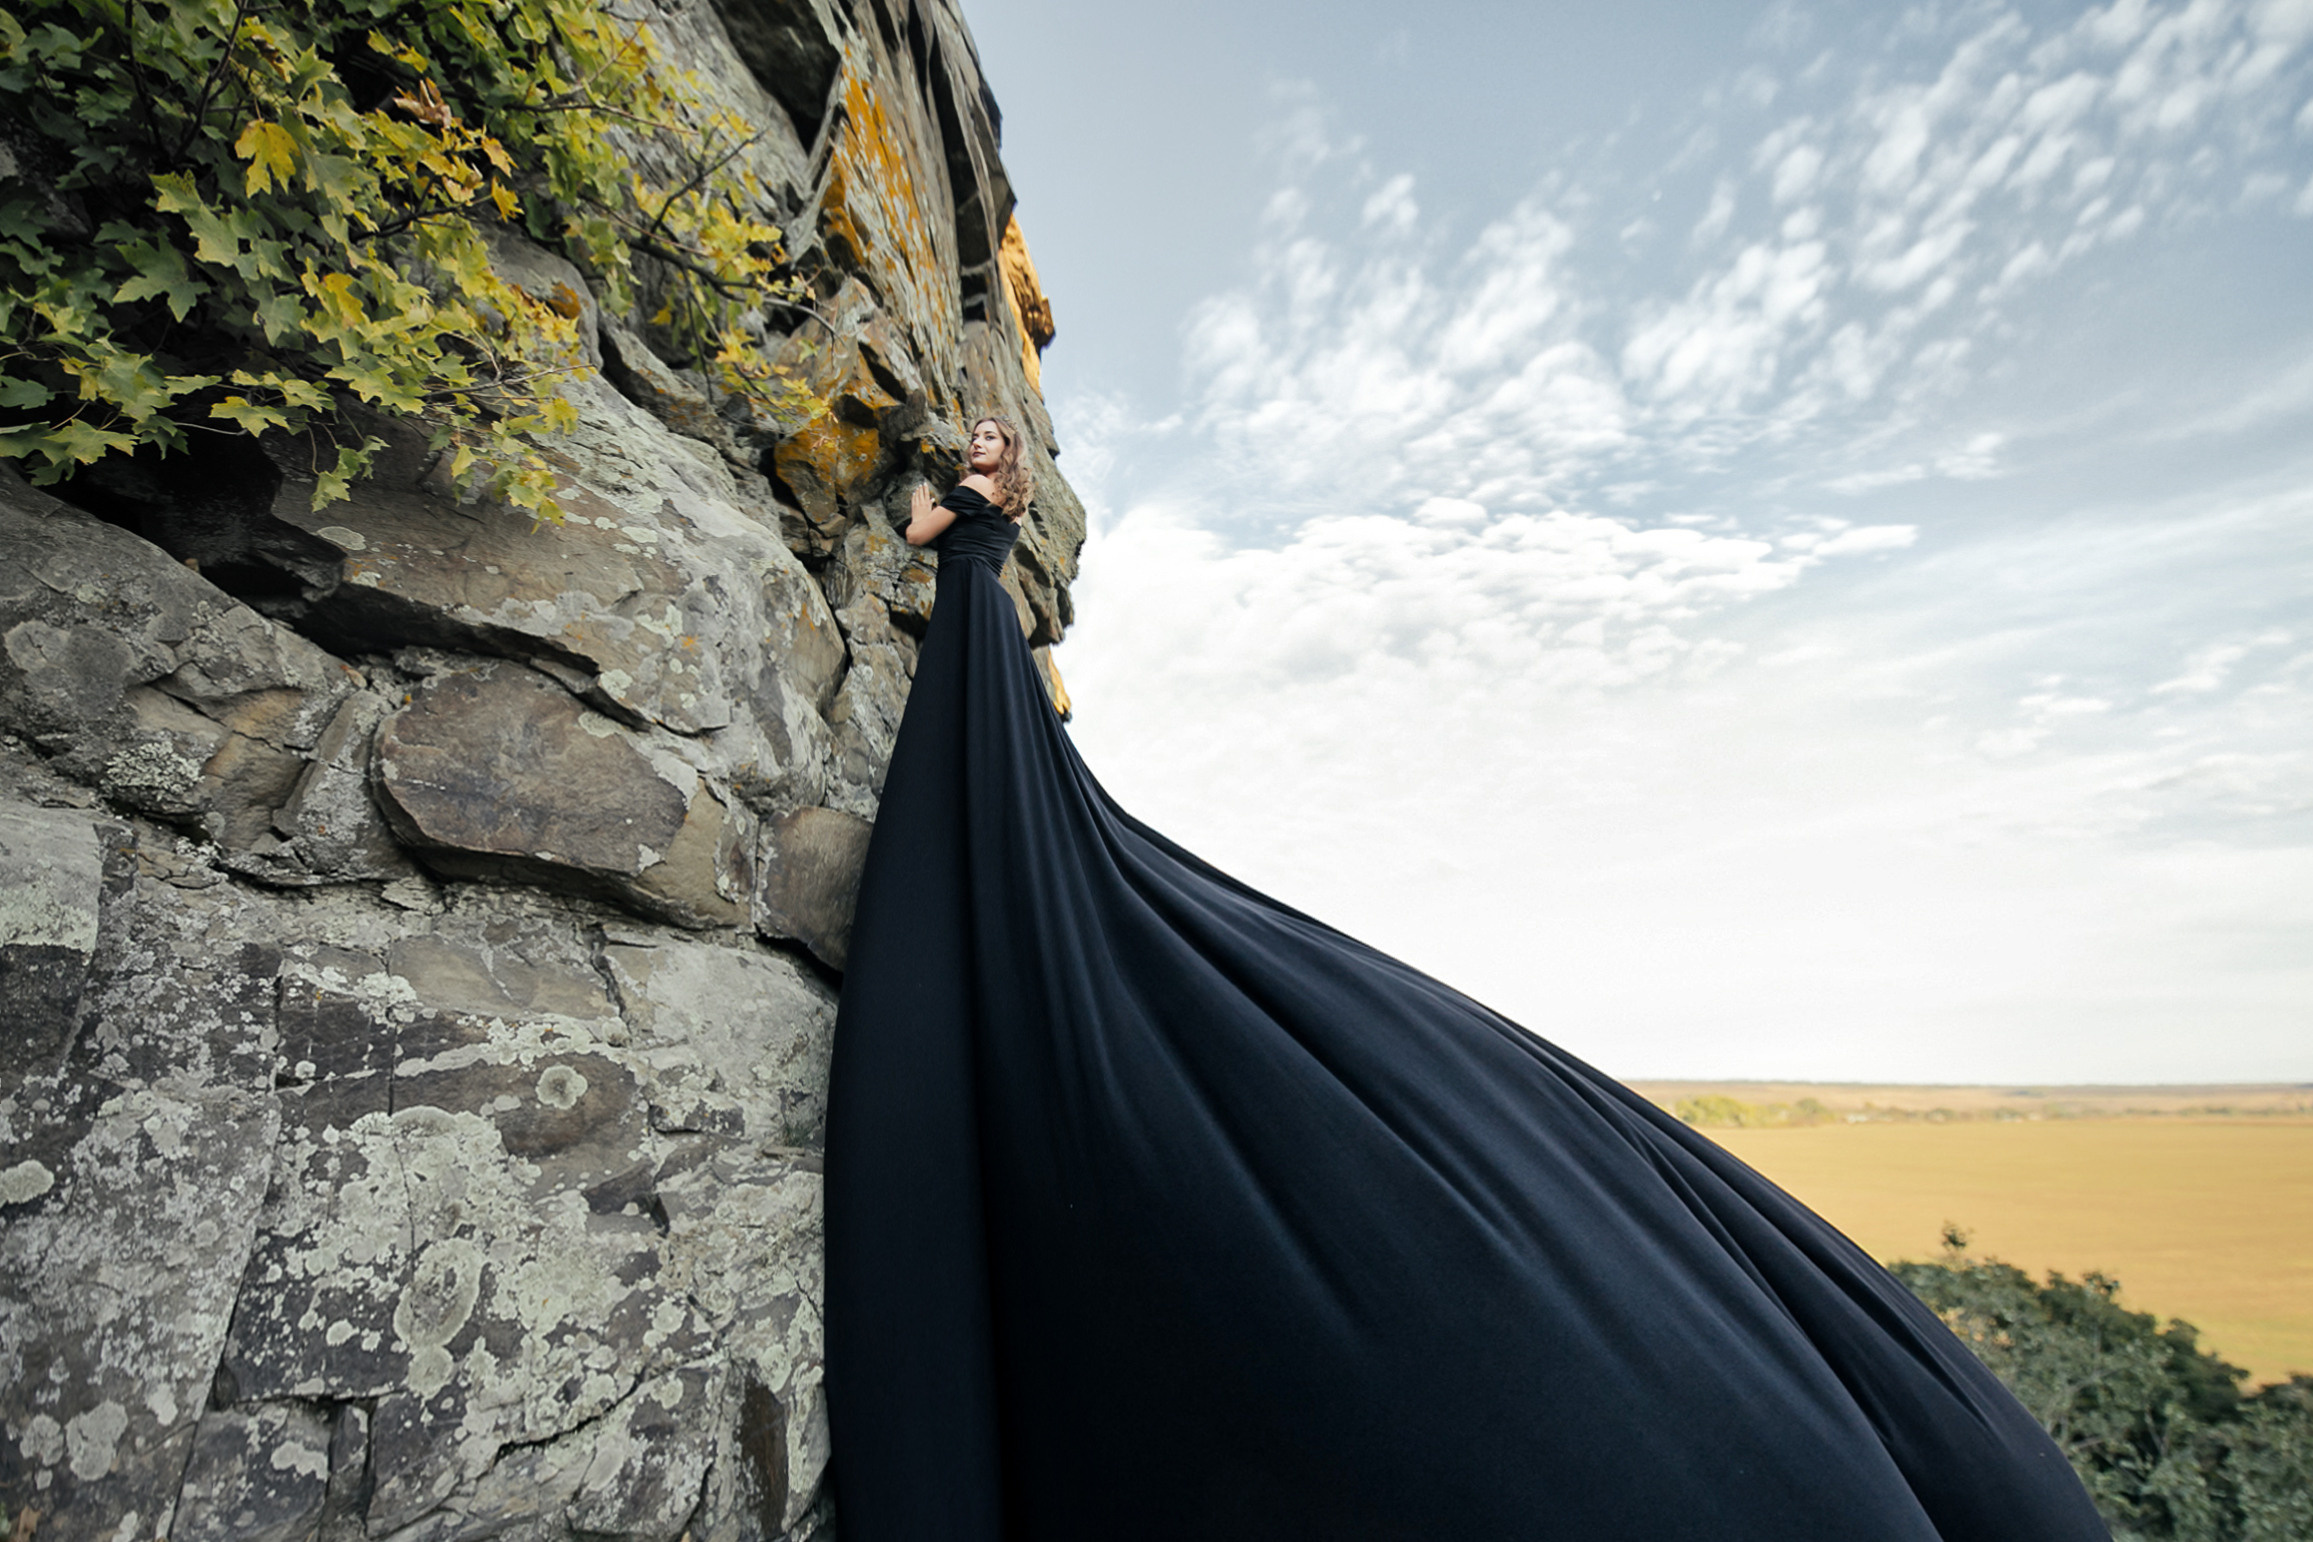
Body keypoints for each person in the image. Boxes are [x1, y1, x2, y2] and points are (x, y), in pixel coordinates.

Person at [823, 414, 2112, 1541]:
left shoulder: (982, 569)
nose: (985, 463)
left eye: (997, 457)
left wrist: (961, 540)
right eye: (979, 462)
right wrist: (967, 542)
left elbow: (942, 556)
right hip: (994, 665)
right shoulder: (991, 594)